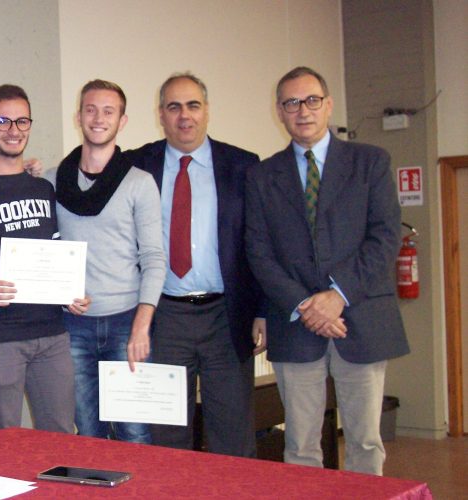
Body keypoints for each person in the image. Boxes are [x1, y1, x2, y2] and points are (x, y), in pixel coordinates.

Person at [245, 66, 409, 475]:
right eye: (292, 103)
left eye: (312, 100)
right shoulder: (262, 175)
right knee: (300, 446)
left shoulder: (369, 162)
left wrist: (337, 297)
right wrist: (306, 305)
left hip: (360, 318)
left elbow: (385, 237)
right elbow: (259, 252)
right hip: (296, 324)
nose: (303, 110)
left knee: (365, 442)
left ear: (329, 105)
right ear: (279, 111)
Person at [126, 73, 264, 457]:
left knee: (232, 435)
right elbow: (88, 172)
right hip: (165, 317)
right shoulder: (136, 164)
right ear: (160, 114)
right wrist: (41, 174)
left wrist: (263, 311)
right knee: (165, 435)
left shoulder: (243, 166)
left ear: (207, 111)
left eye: (193, 105)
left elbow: (260, 244)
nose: (184, 116)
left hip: (226, 316)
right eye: (174, 107)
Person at [0, 84, 87, 433]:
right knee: (4, 441)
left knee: (61, 437)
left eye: (22, 121)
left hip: (52, 334)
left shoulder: (43, 189)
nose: (14, 130)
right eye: (3, 121)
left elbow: (53, 250)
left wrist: (69, 294)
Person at [45, 80, 165, 443]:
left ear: (122, 121)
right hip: (72, 326)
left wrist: (142, 325)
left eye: (108, 111)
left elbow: (154, 258)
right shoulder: (51, 181)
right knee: (87, 435)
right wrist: (59, 293)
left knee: (134, 434)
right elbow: (44, 251)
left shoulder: (139, 183)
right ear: (78, 117)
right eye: (91, 110)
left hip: (126, 323)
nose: (99, 119)